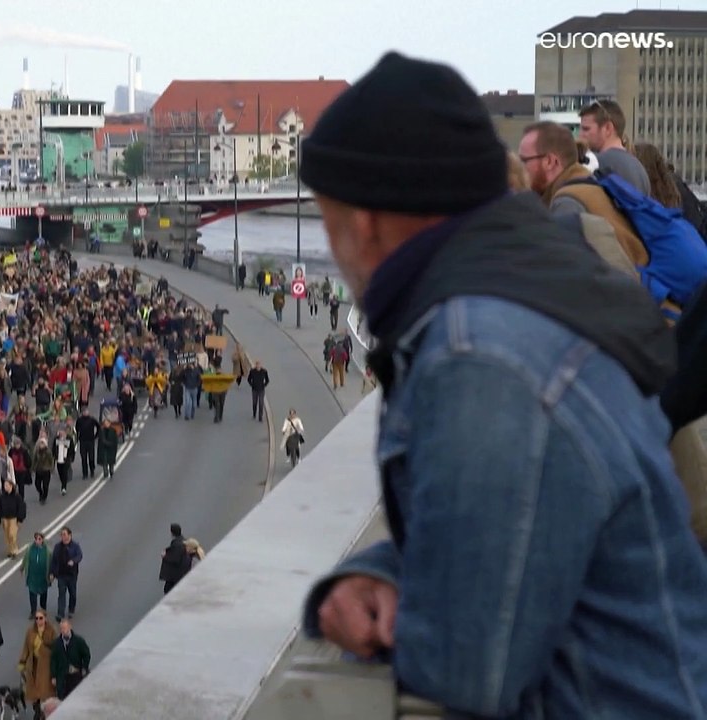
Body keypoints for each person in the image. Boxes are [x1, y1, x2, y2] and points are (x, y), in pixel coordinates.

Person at [299, 50, 707, 716]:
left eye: (328, 219)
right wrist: (384, 572)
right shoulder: (521, 298)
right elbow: (527, 531)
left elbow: (466, 666)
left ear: (364, 223)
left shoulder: (481, 360)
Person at [18, 609, 56, 720]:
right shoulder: (30, 631)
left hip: (45, 665)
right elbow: (26, 648)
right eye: (37, 618)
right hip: (33, 664)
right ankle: (37, 710)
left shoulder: (51, 631)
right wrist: (22, 662)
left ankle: (43, 713)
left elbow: (56, 647)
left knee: (44, 690)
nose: (38, 620)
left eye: (41, 618)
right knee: (34, 691)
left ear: (45, 618)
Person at [49, 619, 90, 701]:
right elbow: (53, 660)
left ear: (70, 627)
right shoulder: (56, 643)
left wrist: (84, 668)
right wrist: (53, 676)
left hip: (75, 676)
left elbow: (86, 655)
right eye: (61, 629)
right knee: (62, 699)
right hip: (62, 677)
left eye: (64, 628)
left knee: (76, 698)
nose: (63, 631)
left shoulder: (79, 641)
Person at [49, 529, 82, 622]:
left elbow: (79, 555)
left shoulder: (75, 546)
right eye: (62, 535)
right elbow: (54, 561)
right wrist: (51, 573)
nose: (63, 536)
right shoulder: (58, 547)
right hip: (61, 575)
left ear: (69, 535)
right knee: (61, 594)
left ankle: (71, 609)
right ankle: (60, 614)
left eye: (64, 534)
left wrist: (74, 561)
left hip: (72, 575)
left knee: (73, 594)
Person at [158, 523, 192, 594]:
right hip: (182, 573)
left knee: (168, 590)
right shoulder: (183, 541)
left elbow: (175, 559)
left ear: (172, 533)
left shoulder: (177, 545)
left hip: (176, 576)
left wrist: (164, 556)